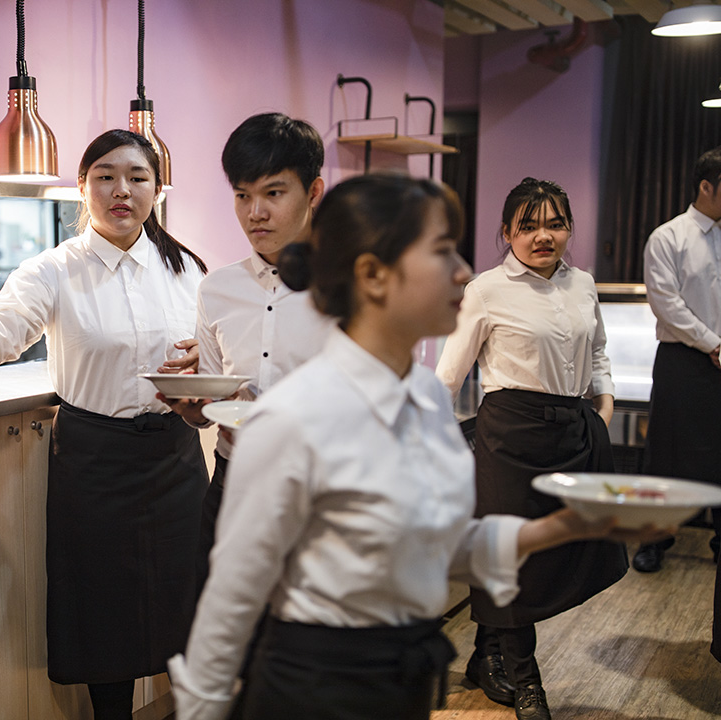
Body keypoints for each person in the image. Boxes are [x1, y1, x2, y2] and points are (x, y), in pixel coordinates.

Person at [167, 174, 655, 720]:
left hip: (408, 683)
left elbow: (440, 546)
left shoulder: (425, 396)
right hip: (314, 687)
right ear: (374, 275)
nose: (466, 271)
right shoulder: (294, 415)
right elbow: (232, 596)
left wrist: (576, 524)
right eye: (441, 252)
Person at [0, 129, 209, 720]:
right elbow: (5, 325)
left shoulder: (186, 268)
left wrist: (201, 366)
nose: (122, 190)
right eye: (106, 177)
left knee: (187, 605)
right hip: (93, 460)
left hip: (174, 458)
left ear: (157, 189)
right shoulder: (52, 270)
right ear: (81, 188)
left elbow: (215, 352)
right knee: (102, 615)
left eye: (138, 178)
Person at [435, 178, 627, 720]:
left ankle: (483, 656)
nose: (543, 236)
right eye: (529, 225)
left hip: (574, 431)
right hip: (509, 436)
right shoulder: (486, 290)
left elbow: (599, 352)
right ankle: (526, 681)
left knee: (561, 557)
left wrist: (604, 407)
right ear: (507, 232)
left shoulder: (583, 284)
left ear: (568, 228)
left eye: (555, 223)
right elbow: (449, 374)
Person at [160, 112, 333, 600]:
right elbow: (216, 396)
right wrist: (194, 409)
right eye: (242, 195)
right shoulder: (217, 289)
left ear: (314, 192)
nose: (255, 212)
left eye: (273, 193)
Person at [636, 146, 721, 575]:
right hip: (682, 359)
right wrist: (713, 344)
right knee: (666, 452)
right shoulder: (669, 236)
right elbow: (666, 304)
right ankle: (655, 539)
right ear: (706, 186)